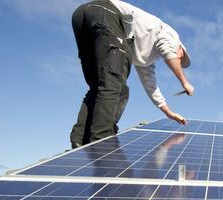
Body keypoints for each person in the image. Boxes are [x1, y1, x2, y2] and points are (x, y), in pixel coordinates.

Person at [70, 0, 194, 149]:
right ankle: (102, 142)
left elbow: (151, 86)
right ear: (181, 48)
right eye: (181, 57)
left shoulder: (146, 57)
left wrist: (168, 112)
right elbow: (168, 51)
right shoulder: (171, 35)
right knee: (115, 86)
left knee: (100, 86)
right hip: (107, 14)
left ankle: (78, 140)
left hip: (81, 16)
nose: (179, 60)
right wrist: (184, 82)